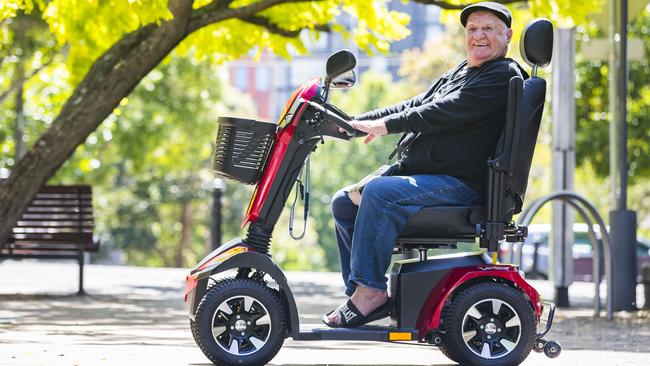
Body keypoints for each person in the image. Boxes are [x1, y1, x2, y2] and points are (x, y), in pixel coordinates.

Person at [323, 2, 529, 328]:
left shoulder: (501, 75)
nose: (478, 35)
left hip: (461, 183)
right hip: (429, 175)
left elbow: (446, 110)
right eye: (472, 29)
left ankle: (369, 292)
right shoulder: (463, 71)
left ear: (508, 35)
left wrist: (388, 127)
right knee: (343, 203)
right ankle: (361, 293)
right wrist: (360, 121)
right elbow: (418, 103)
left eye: (488, 28)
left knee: (379, 193)